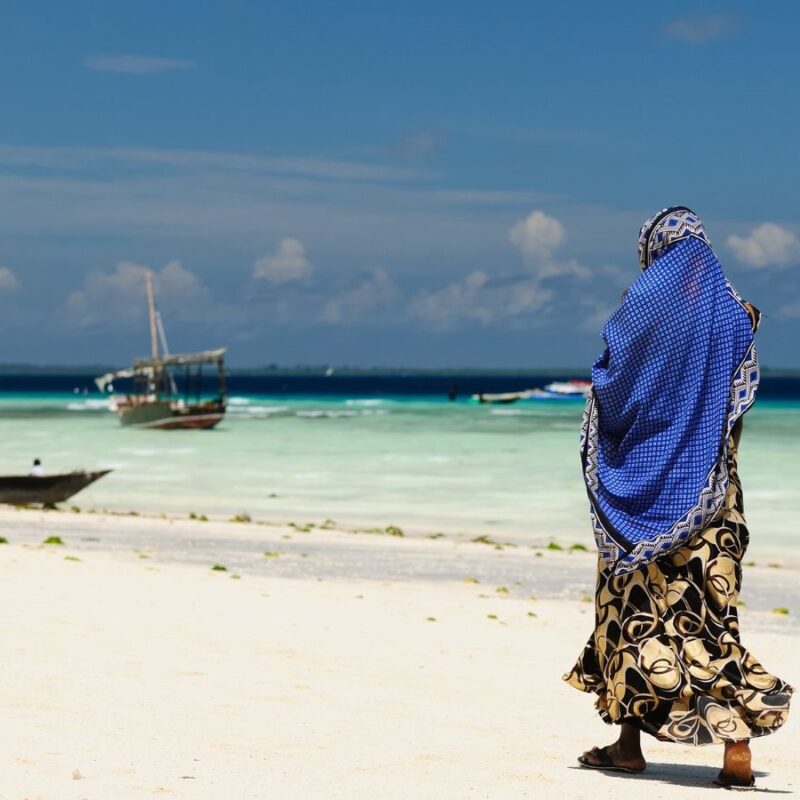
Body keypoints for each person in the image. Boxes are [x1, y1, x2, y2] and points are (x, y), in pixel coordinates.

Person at [564, 207, 792, 790]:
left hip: (639, 504)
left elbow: (609, 387)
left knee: (630, 616)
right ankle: (736, 748)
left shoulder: (638, 311)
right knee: (711, 621)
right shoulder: (737, 315)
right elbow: (736, 405)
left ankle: (627, 745)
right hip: (714, 501)